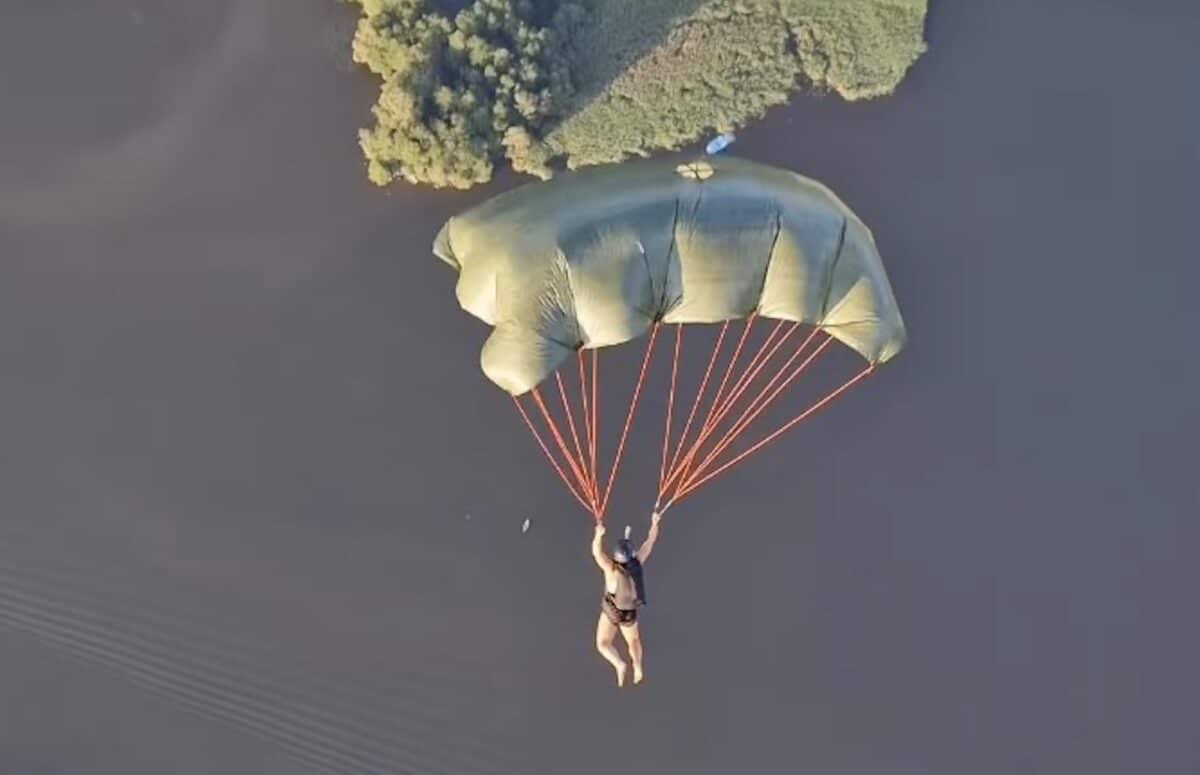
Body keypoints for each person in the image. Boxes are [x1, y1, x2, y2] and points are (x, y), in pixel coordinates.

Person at [592, 511, 662, 686]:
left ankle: (619, 663)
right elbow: (650, 541)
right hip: (629, 612)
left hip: (611, 609)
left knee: (602, 643)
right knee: (634, 641)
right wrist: (655, 523)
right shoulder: (638, 561)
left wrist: (598, 535)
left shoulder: (610, 569)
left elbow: (596, 552)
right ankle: (637, 665)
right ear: (631, 554)